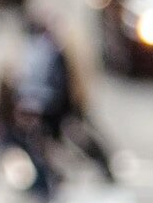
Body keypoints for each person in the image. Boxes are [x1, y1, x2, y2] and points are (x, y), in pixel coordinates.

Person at [14, 14, 117, 191]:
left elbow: (46, 80)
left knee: (75, 136)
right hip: (56, 104)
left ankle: (102, 165)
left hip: (58, 104)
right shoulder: (46, 48)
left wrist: (33, 103)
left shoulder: (47, 50)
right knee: (46, 142)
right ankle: (53, 175)